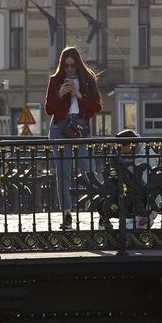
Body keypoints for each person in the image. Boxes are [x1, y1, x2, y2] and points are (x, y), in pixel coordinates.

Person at [43, 46, 102, 229]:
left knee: (88, 170)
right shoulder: (55, 80)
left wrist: (79, 95)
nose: (69, 69)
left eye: (72, 66)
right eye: (66, 65)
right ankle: (67, 214)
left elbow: (97, 106)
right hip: (60, 127)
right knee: (63, 173)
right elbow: (49, 109)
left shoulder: (88, 79)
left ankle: (102, 211)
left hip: (81, 126)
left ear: (78, 65)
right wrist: (60, 94)